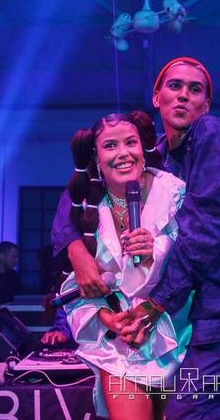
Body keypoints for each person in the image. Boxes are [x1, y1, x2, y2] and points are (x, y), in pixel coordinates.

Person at [52, 57, 220, 419]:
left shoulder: (208, 133)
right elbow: (77, 193)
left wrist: (156, 302)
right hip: (189, 313)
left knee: (189, 411)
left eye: (195, 89)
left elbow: (204, 230)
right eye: (175, 86)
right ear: (156, 97)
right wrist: (75, 248)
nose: (184, 95)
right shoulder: (156, 156)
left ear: (206, 104)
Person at [60, 111, 190, 419]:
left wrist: (157, 248)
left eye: (130, 142)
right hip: (121, 348)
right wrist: (110, 319)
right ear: (96, 158)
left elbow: (197, 259)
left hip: (179, 335)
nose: (123, 153)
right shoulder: (86, 208)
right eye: (110, 145)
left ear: (143, 149)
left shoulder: (175, 193)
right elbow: (77, 286)